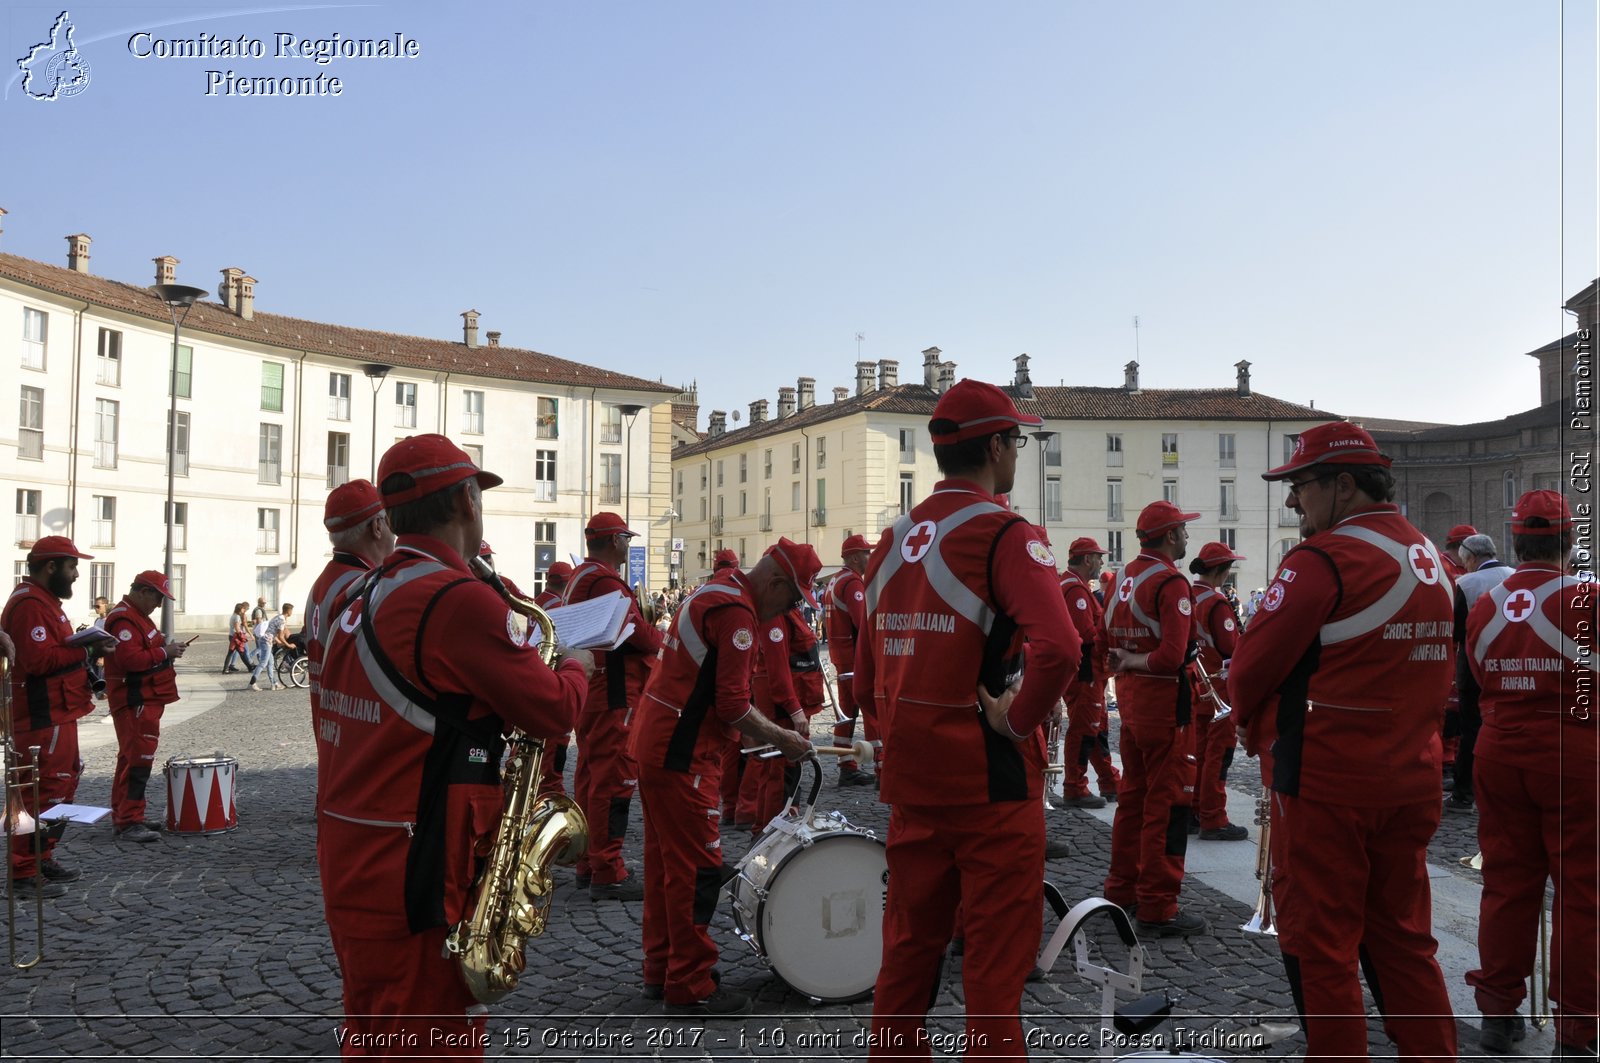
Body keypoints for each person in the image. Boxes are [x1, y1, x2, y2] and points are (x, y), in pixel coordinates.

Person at [316, 434, 591, 1055]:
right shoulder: (451, 599)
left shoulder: (359, 594)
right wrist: (576, 665)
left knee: (370, 1033)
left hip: (354, 855)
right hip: (416, 873)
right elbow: (552, 711)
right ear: (468, 499)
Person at [858, 379, 1078, 1060]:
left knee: (906, 960)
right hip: (992, 785)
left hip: (913, 780)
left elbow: (868, 680)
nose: (1018, 449)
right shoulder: (1006, 532)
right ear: (995, 445)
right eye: (1015, 437)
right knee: (992, 977)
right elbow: (1062, 648)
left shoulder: (890, 542)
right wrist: (1017, 724)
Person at [1228, 420, 1457, 1062]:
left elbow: (1248, 668)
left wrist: (1252, 725)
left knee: (1321, 944)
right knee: (1405, 940)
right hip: (1411, 778)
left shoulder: (1323, 559)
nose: (1293, 501)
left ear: (1345, 486)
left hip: (1329, 782)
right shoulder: (1432, 558)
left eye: (1301, 485)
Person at [630, 538, 818, 1015]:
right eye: (793, 599)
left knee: (666, 865)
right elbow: (733, 704)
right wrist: (783, 734)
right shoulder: (737, 614)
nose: (788, 611)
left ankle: (662, 968)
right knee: (697, 869)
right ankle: (690, 983)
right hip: (683, 753)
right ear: (776, 583)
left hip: (658, 742)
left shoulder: (720, 588)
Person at [1464, 490, 1597, 1059]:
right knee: (1583, 893)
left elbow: (1475, 673)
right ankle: (1578, 1031)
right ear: (1568, 540)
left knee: (1506, 883)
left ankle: (1497, 1012)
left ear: (1517, 540)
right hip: (1574, 752)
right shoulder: (1588, 597)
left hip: (1498, 749)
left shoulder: (1486, 602)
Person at [1101, 500, 1206, 937]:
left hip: (1131, 704)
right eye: (1182, 530)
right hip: (1165, 706)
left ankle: (1121, 888)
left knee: (1133, 799)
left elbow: (1103, 640)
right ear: (1168, 537)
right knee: (1169, 805)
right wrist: (1135, 658)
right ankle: (1159, 905)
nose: (1186, 537)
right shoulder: (1171, 583)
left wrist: (1125, 660)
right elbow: (1170, 657)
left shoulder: (1120, 577)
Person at [2, 536, 113, 899]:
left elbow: (52, 651)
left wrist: (82, 645)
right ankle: (22, 872)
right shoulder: (30, 605)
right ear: (51, 567)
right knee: (39, 792)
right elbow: (37, 661)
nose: (77, 574)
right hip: (39, 715)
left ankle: (41, 856)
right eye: (71, 566)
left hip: (57, 710)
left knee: (59, 786)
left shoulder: (44, 602)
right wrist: (89, 648)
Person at [563, 512, 663, 901]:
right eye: (626, 537)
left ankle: (589, 862)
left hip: (596, 689)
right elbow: (636, 629)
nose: (629, 544)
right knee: (615, 779)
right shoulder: (604, 580)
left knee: (590, 777)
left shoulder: (582, 577)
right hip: (614, 692)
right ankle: (608, 870)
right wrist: (663, 640)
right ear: (613, 540)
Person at [304, 480, 393, 803]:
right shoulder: (364, 586)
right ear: (377, 526)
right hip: (362, 743)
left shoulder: (321, 583)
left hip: (332, 730)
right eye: (388, 520)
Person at [102, 571, 189, 842]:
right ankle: (128, 821)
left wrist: (164, 647)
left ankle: (128, 815)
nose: (159, 605)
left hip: (143, 699)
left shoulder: (135, 616)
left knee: (132, 759)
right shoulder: (125, 619)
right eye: (158, 598)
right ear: (143, 591)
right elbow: (131, 660)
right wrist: (165, 652)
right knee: (138, 761)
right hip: (135, 700)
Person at [735, 600, 824, 830]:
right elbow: (778, 669)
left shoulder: (786, 610)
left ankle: (763, 825)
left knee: (778, 769)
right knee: (779, 770)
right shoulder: (776, 613)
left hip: (787, 698)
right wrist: (794, 708)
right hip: (782, 703)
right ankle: (769, 830)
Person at [1445, 532, 1513, 818]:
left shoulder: (1466, 583)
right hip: (1510, 662)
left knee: (1471, 727)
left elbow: (1457, 632)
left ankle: (1464, 793)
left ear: (1471, 558)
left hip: (1473, 666)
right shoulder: (1513, 576)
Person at [1187, 542, 1248, 841]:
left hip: (1197, 688)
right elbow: (1231, 649)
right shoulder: (1217, 603)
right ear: (1221, 570)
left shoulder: (1189, 595)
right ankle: (1213, 816)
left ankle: (1194, 809)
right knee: (1218, 755)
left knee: (1197, 752)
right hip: (1219, 690)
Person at [1057, 537, 1121, 807]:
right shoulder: (1076, 590)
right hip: (1086, 672)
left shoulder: (1073, 586)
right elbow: (1087, 635)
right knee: (1085, 729)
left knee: (1096, 728)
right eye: (1097, 557)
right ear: (1086, 559)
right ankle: (1075, 786)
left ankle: (1108, 780)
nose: (1101, 562)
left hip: (1090, 672)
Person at [826, 533, 876, 787]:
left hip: (840, 657)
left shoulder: (835, 580)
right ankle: (881, 765)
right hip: (855, 659)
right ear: (855, 557)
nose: (870, 557)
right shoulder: (853, 583)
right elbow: (863, 624)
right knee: (871, 711)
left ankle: (846, 765)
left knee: (845, 715)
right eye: (866, 553)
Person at [250, 604, 294, 690]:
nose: (292, 612)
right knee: (263, 663)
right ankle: (252, 683)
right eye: (291, 610)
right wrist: (288, 645)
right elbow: (281, 636)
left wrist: (279, 642)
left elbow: (273, 631)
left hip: (265, 639)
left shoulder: (279, 617)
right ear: (288, 611)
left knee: (271, 663)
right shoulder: (281, 620)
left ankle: (274, 684)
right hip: (266, 641)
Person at [223, 602, 251, 674]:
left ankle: (226, 669)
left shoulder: (233, 615)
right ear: (240, 609)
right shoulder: (237, 617)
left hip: (232, 636)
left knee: (235, 653)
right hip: (235, 637)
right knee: (241, 653)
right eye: (242, 608)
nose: (243, 610)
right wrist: (242, 636)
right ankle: (250, 667)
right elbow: (237, 628)